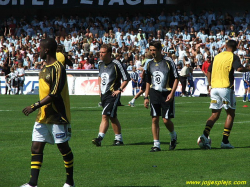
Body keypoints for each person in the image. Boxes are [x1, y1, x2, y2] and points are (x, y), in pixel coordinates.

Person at [20, 38, 75, 187]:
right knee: (36, 147)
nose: (38, 51)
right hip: (43, 116)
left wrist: (34, 106)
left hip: (57, 116)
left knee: (63, 147)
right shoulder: (44, 69)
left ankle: (70, 182)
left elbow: (55, 93)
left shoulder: (58, 68)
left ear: (46, 50)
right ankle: (32, 183)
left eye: (40, 48)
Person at [199, 40, 250, 150]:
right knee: (230, 114)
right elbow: (239, 68)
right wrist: (248, 68)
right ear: (236, 47)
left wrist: (210, 85)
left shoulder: (217, 56)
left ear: (225, 46)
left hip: (215, 88)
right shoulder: (233, 56)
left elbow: (208, 71)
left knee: (215, 115)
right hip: (226, 88)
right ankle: (225, 141)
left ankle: (204, 135)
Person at [144, 41, 179, 152]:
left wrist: (172, 93)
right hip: (154, 93)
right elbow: (148, 82)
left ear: (160, 50)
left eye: (154, 50)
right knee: (154, 119)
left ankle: (173, 136)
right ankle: (156, 144)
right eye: (151, 50)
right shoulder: (149, 64)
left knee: (165, 120)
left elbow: (176, 78)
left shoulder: (168, 61)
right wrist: (146, 97)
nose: (152, 52)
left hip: (166, 93)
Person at [92, 44, 130, 146]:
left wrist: (119, 90)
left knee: (105, 115)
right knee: (112, 116)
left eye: (103, 52)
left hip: (113, 94)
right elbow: (100, 76)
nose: (100, 54)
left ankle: (99, 138)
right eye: (100, 52)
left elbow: (126, 78)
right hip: (104, 94)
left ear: (109, 53)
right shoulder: (100, 64)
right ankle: (119, 139)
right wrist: (100, 89)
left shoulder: (116, 63)